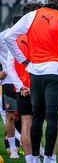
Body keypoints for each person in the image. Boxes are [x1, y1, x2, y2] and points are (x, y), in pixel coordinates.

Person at [5, 0, 58, 163]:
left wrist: (24, 61)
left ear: (48, 0)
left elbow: (9, 37)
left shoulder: (31, 16)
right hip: (55, 73)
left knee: (37, 118)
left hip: (35, 73)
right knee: (52, 119)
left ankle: (33, 159)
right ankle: (49, 159)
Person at [6, 2, 44, 163]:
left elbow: (9, 64)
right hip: (32, 86)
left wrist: (20, 85)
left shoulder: (16, 37)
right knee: (41, 122)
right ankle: (46, 157)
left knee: (28, 123)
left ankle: (32, 158)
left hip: (21, 87)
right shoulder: (41, 37)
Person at [0, 18, 21, 159]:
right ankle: (12, 147)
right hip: (8, 82)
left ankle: (32, 146)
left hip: (27, 83)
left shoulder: (30, 36)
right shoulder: (3, 36)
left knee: (27, 117)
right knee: (10, 116)